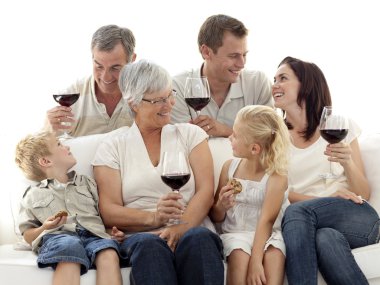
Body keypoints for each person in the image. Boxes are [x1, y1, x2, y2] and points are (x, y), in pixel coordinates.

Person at [92, 59, 224, 285]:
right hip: (142, 237)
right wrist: (155, 218)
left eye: (170, 95)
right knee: (150, 246)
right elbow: (109, 209)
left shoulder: (190, 135)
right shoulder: (113, 145)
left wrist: (179, 227)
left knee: (199, 238)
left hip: (192, 228)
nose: (170, 104)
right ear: (134, 103)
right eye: (159, 100)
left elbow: (205, 191)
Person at [274, 56, 380, 285]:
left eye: (283, 78)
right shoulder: (275, 137)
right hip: (307, 225)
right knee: (326, 238)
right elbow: (278, 192)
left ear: (306, 85)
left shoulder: (339, 126)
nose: (275, 85)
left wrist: (347, 163)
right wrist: (322, 200)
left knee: (298, 212)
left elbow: (364, 193)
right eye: (274, 79)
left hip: (355, 217)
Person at [15, 131, 122, 285]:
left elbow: (99, 217)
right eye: (59, 144)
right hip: (59, 237)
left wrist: (110, 233)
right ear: (46, 161)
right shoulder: (33, 194)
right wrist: (44, 227)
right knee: (69, 247)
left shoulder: (87, 183)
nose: (66, 146)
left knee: (109, 252)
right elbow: (28, 234)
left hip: (94, 235)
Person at [210, 105, 290, 285]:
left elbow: (267, 221)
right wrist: (221, 206)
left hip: (269, 233)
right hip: (236, 233)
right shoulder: (229, 168)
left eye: (235, 135)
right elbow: (215, 216)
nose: (230, 137)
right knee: (239, 255)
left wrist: (256, 262)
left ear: (254, 149)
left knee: (274, 255)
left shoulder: (276, 176)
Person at [171, 14, 273, 138]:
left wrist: (225, 131)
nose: (242, 64)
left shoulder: (258, 83)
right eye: (233, 56)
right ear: (206, 52)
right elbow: (181, 143)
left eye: (244, 55)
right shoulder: (179, 87)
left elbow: (270, 139)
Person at [45, 24, 136, 137]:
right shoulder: (73, 95)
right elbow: (45, 147)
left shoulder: (146, 95)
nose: (105, 77)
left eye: (115, 68)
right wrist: (48, 130)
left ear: (132, 60)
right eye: (99, 66)